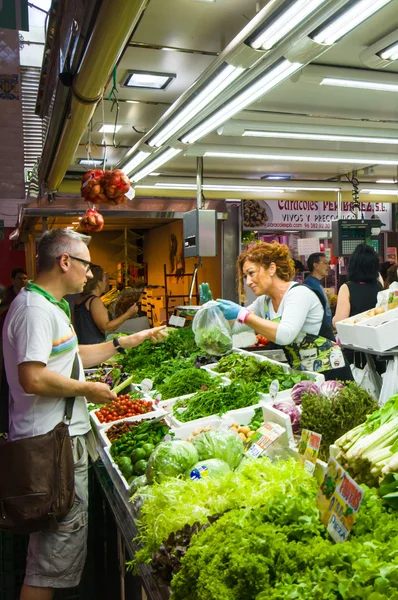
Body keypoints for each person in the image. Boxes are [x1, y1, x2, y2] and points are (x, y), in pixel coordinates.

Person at [2, 228, 167, 600]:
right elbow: (33, 376)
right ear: (65, 262)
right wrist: (88, 390)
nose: (90, 274)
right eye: (86, 265)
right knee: (48, 566)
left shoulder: (50, 306)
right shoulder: (33, 310)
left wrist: (126, 341)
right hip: (51, 445)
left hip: (59, 439)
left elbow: (70, 359)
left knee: (55, 558)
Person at [214, 241, 352, 380]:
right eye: (245, 276)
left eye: (252, 273)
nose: (248, 281)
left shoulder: (298, 294)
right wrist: (213, 311)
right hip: (304, 376)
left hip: (331, 373)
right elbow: (233, 326)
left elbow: (285, 334)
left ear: (272, 268)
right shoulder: (264, 302)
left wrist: (243, 314)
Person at [74, 264, 138, 344]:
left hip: (83, 347)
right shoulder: (94, 301)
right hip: (95, 347)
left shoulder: (79, 300)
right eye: (105, 280)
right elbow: (106, 327)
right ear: (99, 283)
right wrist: (128, 314)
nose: (106, 283)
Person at [333, 244, 384, 327]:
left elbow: (339, 322)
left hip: (355, 336)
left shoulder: (346, 288)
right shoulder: (379, 284)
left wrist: (333, 319)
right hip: (376, 333)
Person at [304, 253, 332, 325]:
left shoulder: (316, 283)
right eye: (325, 263)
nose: (328, 266)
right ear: (316, 266)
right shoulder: (310, 285)